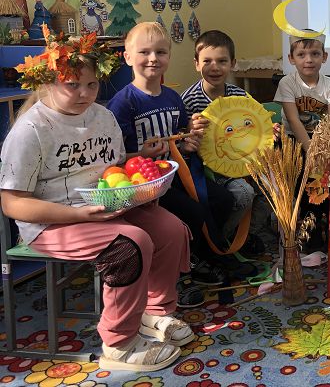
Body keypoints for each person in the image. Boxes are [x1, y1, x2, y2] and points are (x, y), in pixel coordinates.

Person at [0, 29, 193, 371]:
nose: (85, 93)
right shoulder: (31, 130)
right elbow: (13, 204)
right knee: (129, 244)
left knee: (170, 228)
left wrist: (140, 167)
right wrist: (80, 216)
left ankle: (154, 313)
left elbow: (112, 166)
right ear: (48, 82)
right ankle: (119, 344)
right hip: (50, 223)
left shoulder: (102, 116)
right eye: (72, 85)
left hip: (105, 207)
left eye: (91, 85)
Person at [107, 22, 234, 305]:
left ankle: (198, 255)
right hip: (144, 185)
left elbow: (181, 139)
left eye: (161, 52)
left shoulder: (173, 98)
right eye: (144, 52)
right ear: (127, 57)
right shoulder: (122, 103)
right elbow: (113, 159)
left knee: (223, 200)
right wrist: (141, 153)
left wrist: (189, 141)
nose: (153, 58)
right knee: (193, 212)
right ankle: (182, 270)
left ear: (169, 57)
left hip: (173, 174)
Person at [181, 29, 266, 257]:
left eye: (222, 61)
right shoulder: (188, 100)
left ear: (233, 64)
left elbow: (256, 128)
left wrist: (269, 131)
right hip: (207, 169)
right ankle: (216, 243)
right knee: (244, 193)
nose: (215, 67)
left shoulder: (240, 96)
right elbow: (181, 143)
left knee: (272, 186)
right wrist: (188, 130)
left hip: (239, 161)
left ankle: (243, 235)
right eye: (207, 61)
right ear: (196, 64)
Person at [274, 31, 330, 253]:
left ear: (325, 57)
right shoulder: (287, 83)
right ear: (291, 59)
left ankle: (329, 219)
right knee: (305, 183)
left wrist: (328, 150)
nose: (309, 59)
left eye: (315, 54)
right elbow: (293, 121)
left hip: (321, 142)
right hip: (294, 142)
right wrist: (312, 153)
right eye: (301, 55)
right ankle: (309, 225)